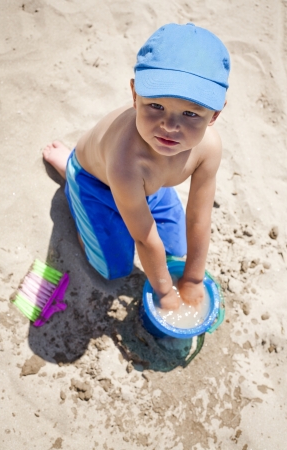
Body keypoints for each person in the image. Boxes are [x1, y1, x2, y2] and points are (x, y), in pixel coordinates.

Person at [43, 23, 230, 311]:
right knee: (113, 268)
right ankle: (71, 175)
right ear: (134, 94)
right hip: (98, 182)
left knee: (176, 251)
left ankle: (112, 195)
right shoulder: (126, 160)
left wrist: (193, 278)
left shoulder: (209, 148)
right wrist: (165, 293)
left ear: (214, 115)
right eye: (155, 106)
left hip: (148, 187)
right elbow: (144, 238)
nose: (169, 126)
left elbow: (198, 218)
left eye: (191, 113)